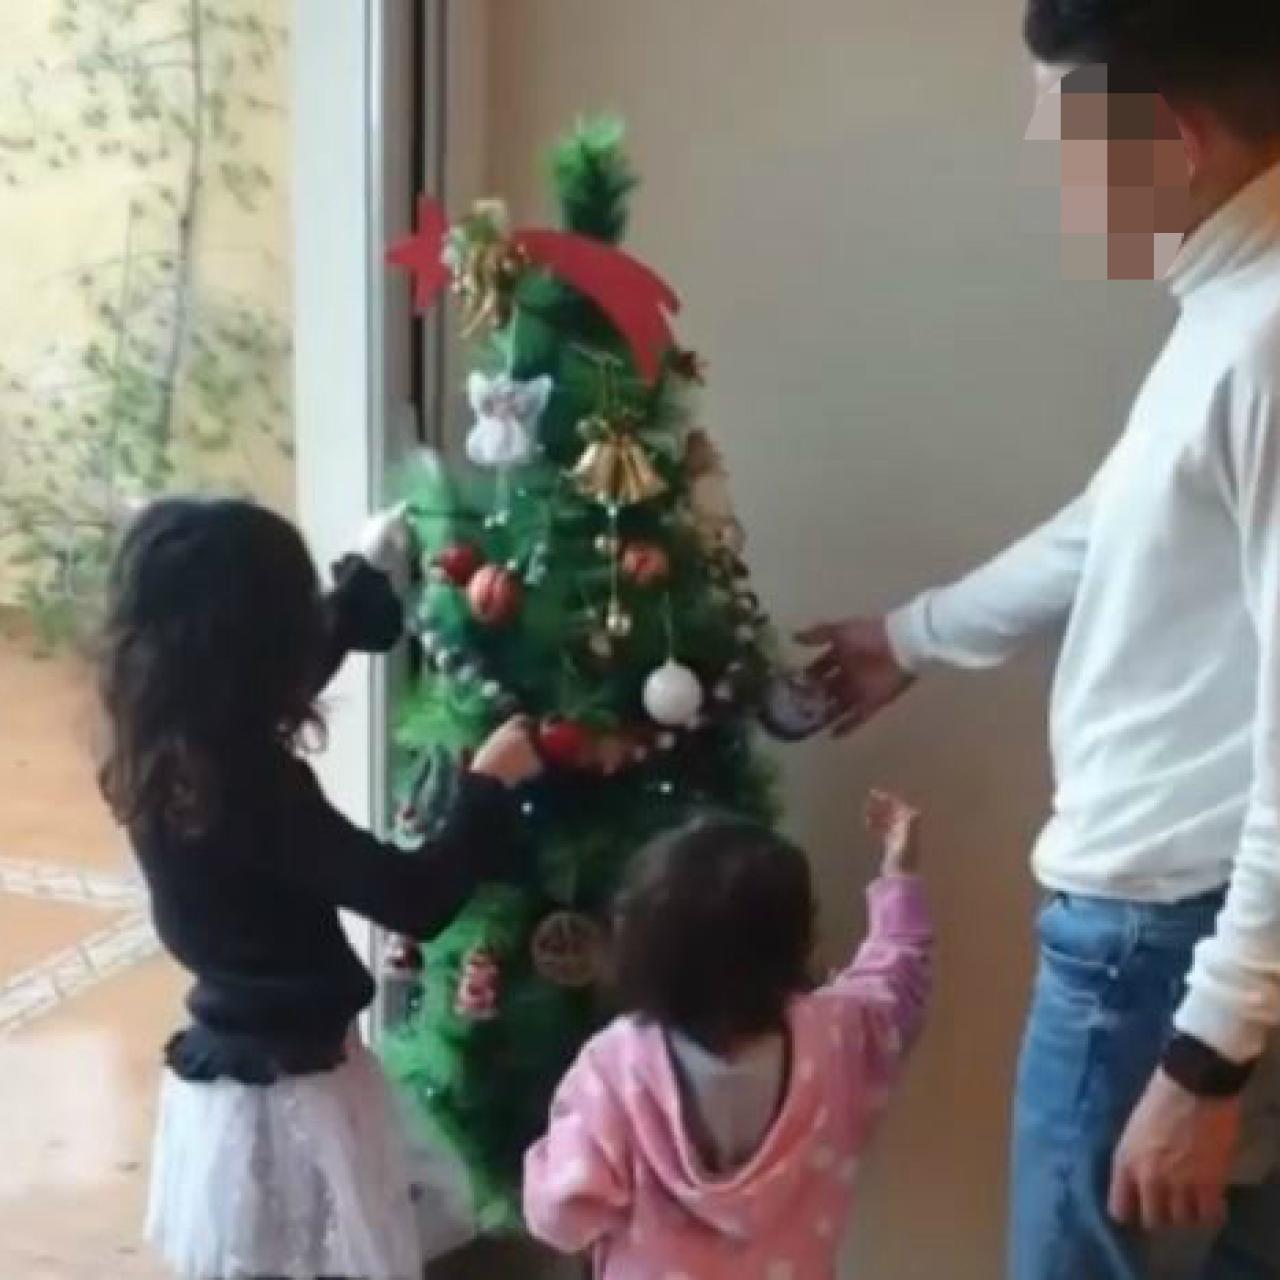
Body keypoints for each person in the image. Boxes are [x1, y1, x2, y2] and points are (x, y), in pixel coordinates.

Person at [800, 3, 1280, 1276]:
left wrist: (1203, 1051)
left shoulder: (1266, 335)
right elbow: (1109, 524)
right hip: (1172, 943)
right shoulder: (1228, 310)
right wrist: (908, 635)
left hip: (1161, 951)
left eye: (1068, 144)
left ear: (1169, 136)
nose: (1056, 182)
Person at [97, 497, 542, 1280]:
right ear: (262, 650)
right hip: (296, 1098)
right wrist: (485, 788)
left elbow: (260, 678)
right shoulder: (255, 787)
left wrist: (358, 586)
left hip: (226, 1084)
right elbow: (414, 899)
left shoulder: (163, 742)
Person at [523, 791, 932, 1278]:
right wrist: (898, 875)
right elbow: (898, 979)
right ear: (796, 942)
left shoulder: (616, 1064)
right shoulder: (838, 1033)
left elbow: (562, 1214)